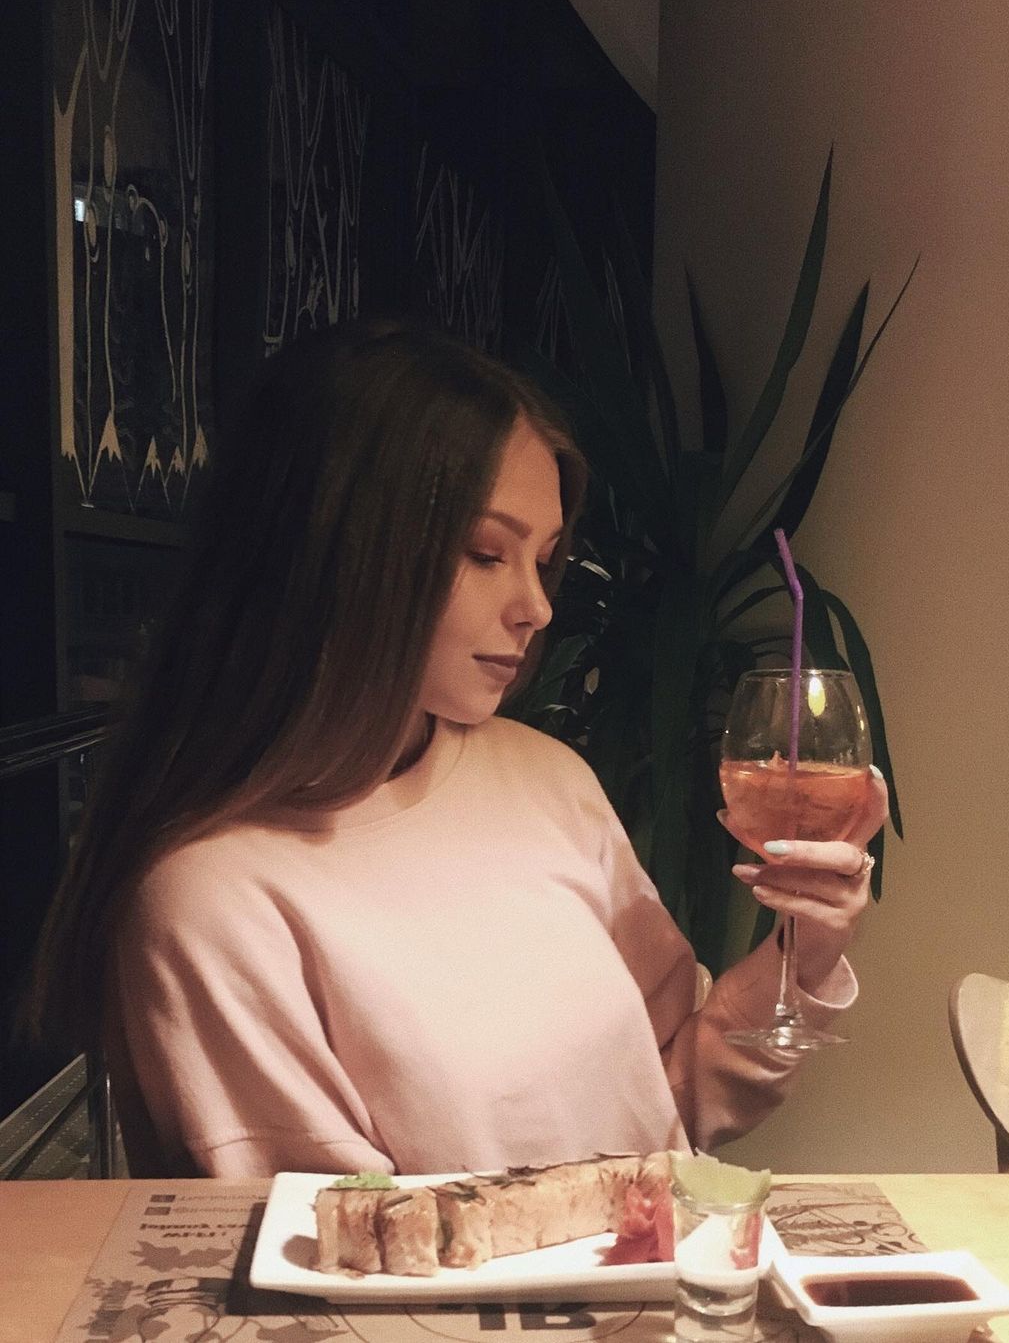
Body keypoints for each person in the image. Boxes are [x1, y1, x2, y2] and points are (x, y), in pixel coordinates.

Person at [30, 322, 888, 1178]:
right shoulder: (211, 898)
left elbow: (675, 1093)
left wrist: (805, 946)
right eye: (485, 554)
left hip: (666, 1261)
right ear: (339, 551)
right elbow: (350, 1244)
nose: (537, 607)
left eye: (543, 560)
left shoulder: (546, 778)